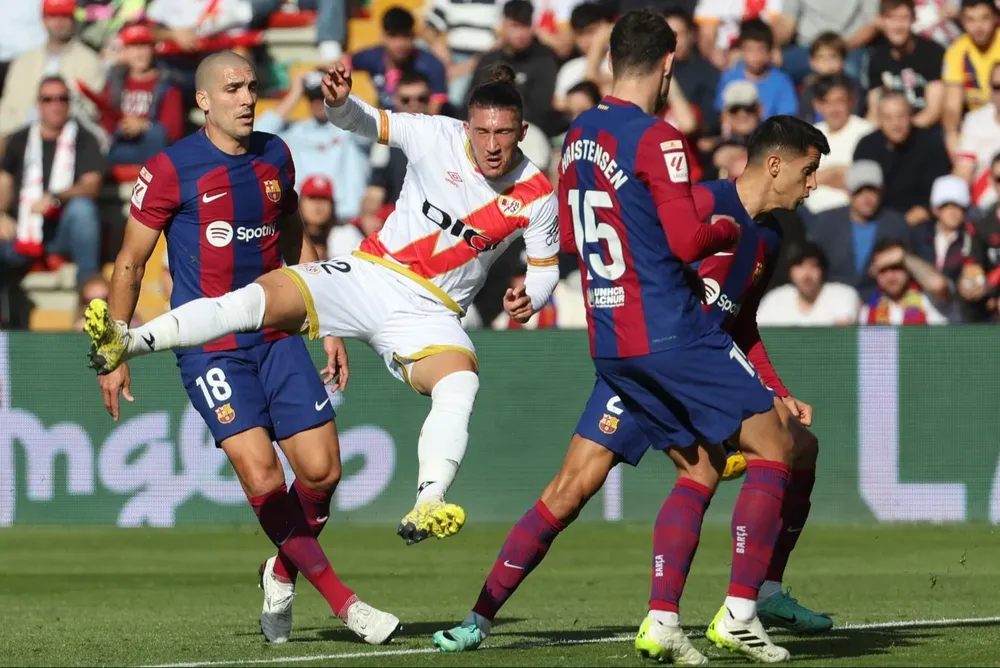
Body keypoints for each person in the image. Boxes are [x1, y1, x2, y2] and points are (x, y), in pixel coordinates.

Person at [433, 13, 813, 664]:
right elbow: (686, 241)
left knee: (660, 473)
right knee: (783, 444)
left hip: (612, 336)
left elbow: (587, 232)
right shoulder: (661, 142)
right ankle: (743, 611)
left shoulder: (580, 134)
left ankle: (627, 619)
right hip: (668, 336)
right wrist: (723, 232)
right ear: (667, 66)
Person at [84, 60, 561, 548]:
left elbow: (545, 269)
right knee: (257, 300)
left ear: (522, 131)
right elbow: (362, 121)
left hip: (432, 313)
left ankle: (430, 498)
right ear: (468, 125)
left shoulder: (539, 196)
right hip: (370, 275)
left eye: (504, 133)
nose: (492, 144)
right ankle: (131, 341)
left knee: (460, 380)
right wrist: (338, 102)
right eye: (482, 131)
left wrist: (532, 296)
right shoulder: (434, 134)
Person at [84, 51, 400, 647]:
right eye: (232, 89)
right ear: (203, 100)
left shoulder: (275, 155)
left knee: (323, 470)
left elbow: (293, 240)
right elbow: (129, 260)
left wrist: (327, 322)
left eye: (252, 87)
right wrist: (117, 346)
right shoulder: (172, 168)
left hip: (277, 334)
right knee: (261, 475)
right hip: (210, 349)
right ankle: (346, 603)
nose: (247, 98)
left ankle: (279, 569)